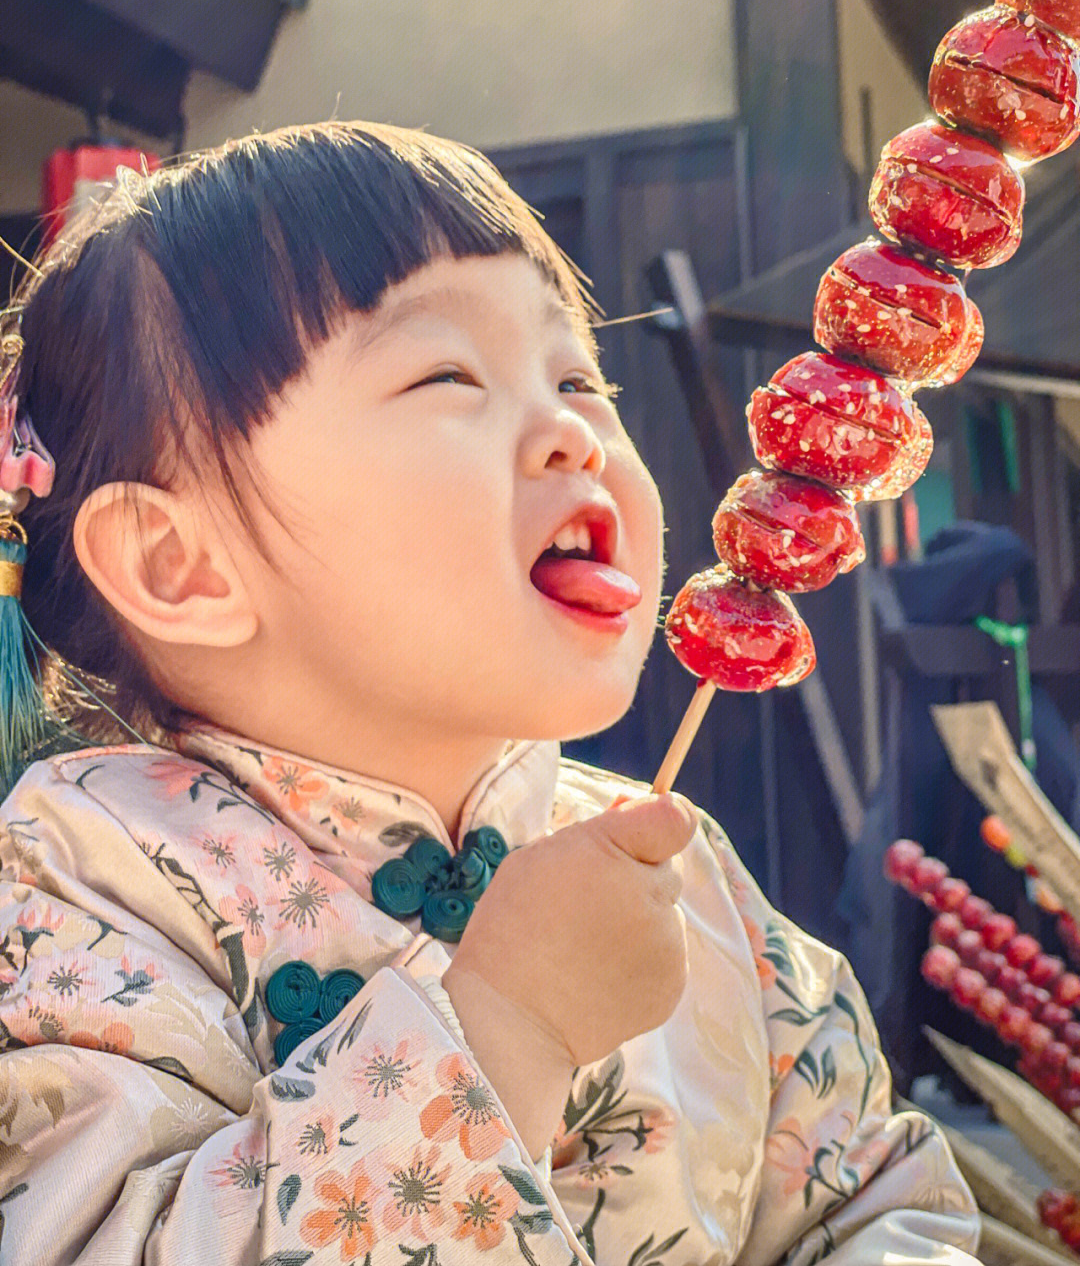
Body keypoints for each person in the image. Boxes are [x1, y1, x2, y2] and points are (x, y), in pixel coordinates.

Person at [0, 122, 978, 1265]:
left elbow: (871, 1195)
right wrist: (503, 1025)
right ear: (184, 563)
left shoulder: (683, 867)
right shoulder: (80, 877)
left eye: (577, 374)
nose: (574, 432)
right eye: (448, 374)